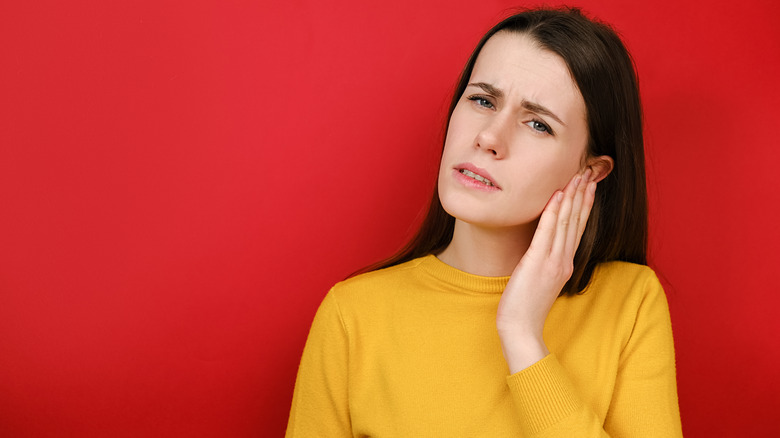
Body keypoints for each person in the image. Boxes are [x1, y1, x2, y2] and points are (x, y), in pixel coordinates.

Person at [286, 7, 682, 437]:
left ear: (590, 173)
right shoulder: (353, 316)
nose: (489, 137)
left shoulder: (630, 304)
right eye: (482, 100)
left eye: (537, 123)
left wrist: (521, 334)